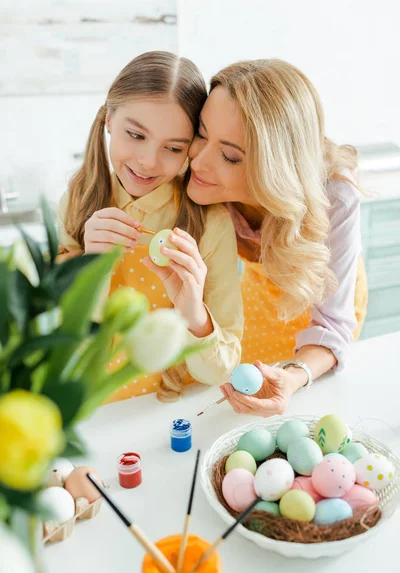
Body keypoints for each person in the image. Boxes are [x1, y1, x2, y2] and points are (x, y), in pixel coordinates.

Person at [58, 51, 243, 402]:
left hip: (173, 412)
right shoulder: (76, 202)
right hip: (96, 409)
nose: (148, 161)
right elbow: (67, 349)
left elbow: (220, 371)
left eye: (173, 148)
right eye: (136, 135)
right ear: (110, 118)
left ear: (191, 150)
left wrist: (194, 313)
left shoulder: (211, 222)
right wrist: (92, 270)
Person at [187, 58, 367, 417]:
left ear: (274, 168)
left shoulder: (335, 198)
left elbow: (331, 325)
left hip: (313, 292)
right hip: (251, 300)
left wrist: (295, 375)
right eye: (202, 133)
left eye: (230, 156)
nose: (198, 162)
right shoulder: (200, 179)